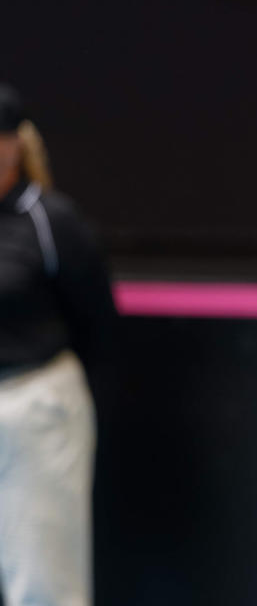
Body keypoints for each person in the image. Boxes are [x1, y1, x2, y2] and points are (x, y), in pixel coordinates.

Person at [0, 84, 116, 606]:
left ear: (11, 146)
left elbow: (96, 321)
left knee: (43, 583)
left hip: (34, 406)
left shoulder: (50, 220)